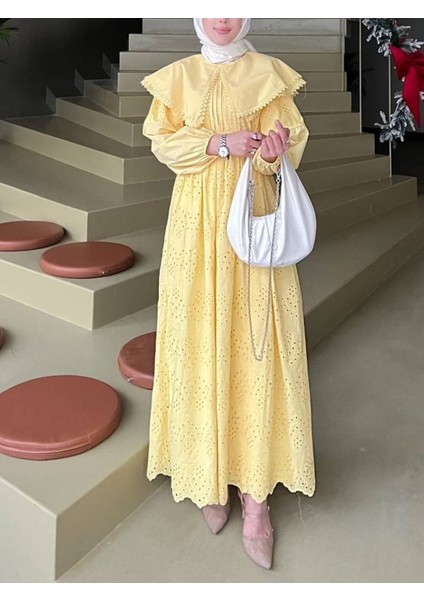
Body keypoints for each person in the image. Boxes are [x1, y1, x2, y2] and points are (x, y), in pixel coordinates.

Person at [141, 18, 316, 570]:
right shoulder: (179, 76)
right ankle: (207, 476)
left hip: (251, 223)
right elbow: (163, 142)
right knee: (198, 343)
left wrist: (270, 152)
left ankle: (256, 499)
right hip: (194, 228)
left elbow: (286, 150)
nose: (224, 17)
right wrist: (219, 143)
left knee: (256, 349)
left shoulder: (269, 75)